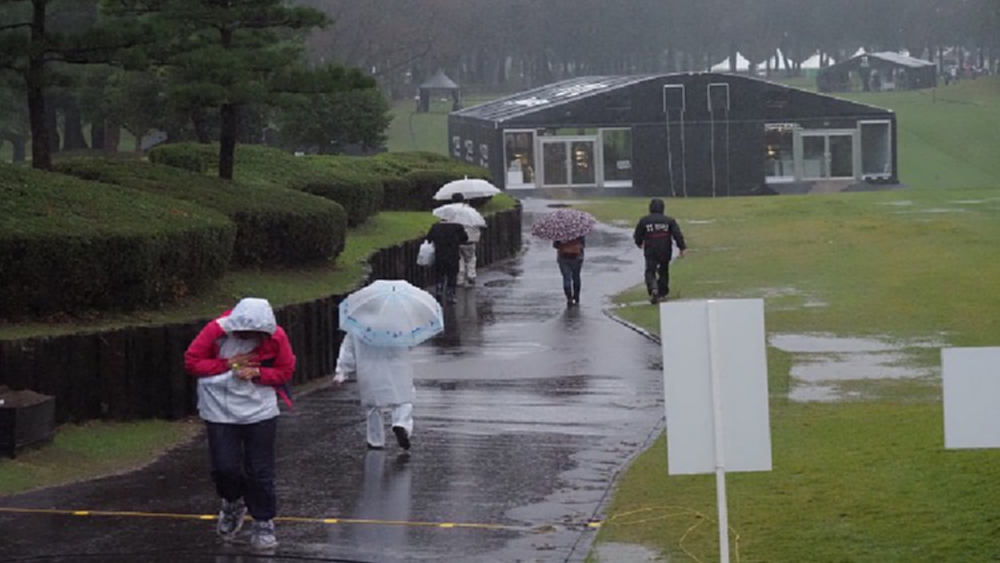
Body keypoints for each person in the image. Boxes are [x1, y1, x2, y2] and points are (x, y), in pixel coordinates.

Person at [183, 297, 296, 550]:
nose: (248, 336)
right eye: (244, 332)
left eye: (255, 334)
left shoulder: (276, 337)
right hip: (219, 409)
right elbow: (192, 362)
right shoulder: (215, 330)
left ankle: (264, 520)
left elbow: (285, 370)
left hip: (260, 410)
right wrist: (229, 364)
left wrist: (259, 373)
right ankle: (232, 502)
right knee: (225, 468)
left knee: (260, 470)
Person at [333, 331, 414, 451]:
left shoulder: (357, 323)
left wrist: (342, 371)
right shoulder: (398, 321)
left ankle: (375, 440)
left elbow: (348, 347)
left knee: (372, 404)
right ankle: (401, 424)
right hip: (397, 365)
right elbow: (410, 343)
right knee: (403, 397)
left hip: (368, 367)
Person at [633, 198, 687, 304]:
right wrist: (682, 247)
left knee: (650, 271)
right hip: (665, 249)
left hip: (650, 249)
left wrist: (639, 243)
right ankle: (662, 292)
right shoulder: (669, 221)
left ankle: (653, 288)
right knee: (663, 270)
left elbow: (637, 234)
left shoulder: (644, 221)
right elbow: (677, 235)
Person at [425, 214, 468, 303]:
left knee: (439, 273)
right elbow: (465, 238)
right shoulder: (457, 226)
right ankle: (450, 294)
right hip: (453, 255)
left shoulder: (435, 227)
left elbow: (429, 239)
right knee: (452, 275)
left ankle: (439, 289)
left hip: (439, 255)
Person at [450, 193, 483, 286]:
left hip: (456, 240)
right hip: (470, 239)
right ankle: (471, 275)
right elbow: (478, 223)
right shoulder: (470, 211)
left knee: (459, 259)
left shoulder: (451, 211)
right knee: (471, 258)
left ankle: (460, 279)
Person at [553, 236, 585, 306]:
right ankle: (576, 297)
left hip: (563, 258)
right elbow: (583, 245)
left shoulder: (559, 232)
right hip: (577, 257)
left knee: (566, 278)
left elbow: (555, 245)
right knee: (576, 277)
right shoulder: (578, 232)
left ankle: (569, 298)